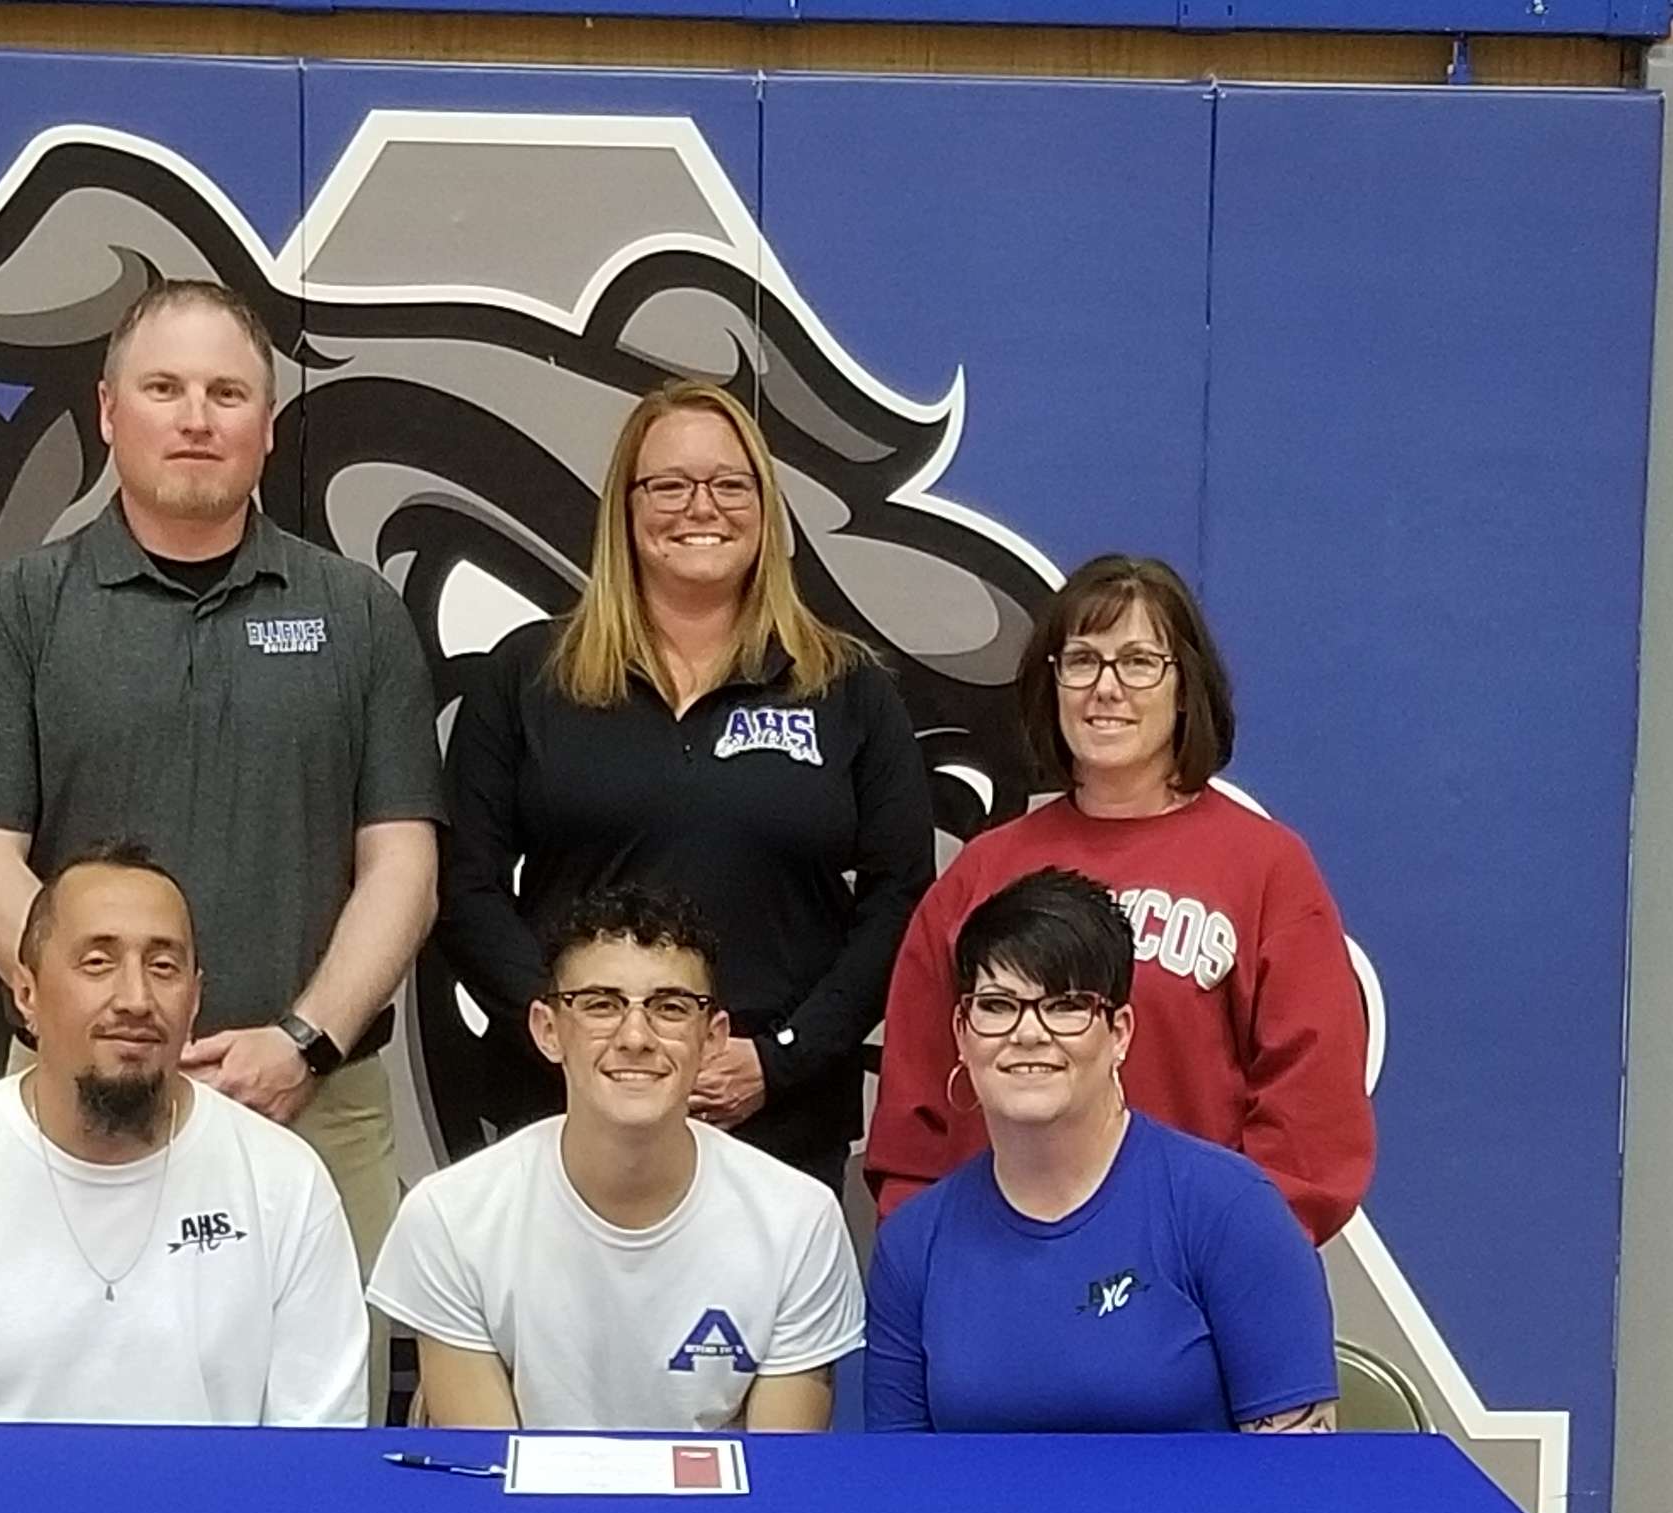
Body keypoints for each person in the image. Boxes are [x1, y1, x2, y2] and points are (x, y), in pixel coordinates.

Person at [0, 279, 442, 1271]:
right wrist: (123, 1032)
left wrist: (303, 1042)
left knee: (334, 1375)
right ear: (108, 411)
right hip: (78, 1105)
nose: (196, 419)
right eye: (163, 389)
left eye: (226, 393)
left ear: (268, 425)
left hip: (317, 1105)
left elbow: (404, 871)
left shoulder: (360, 614)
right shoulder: (16, 612)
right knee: (62, 1367)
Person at [432, 377, 934, 1185]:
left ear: (765, 509)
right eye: (669, 485)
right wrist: (575, 1033)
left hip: (778, 1122)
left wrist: (781, 1055)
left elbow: (902, 898)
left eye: (730, 485)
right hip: (564, 1114)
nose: (702, 507)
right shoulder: (528, 676)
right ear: (625, 509)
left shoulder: (846, 688)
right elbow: (464, 888)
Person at [863, 553, 1374, 1247]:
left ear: (1185, 687)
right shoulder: (985, 872)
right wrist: (932, 1251)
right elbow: (915, 1105)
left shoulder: (1266, 869)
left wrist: (1232, 1254)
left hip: (1192, 1272)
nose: (1106, 688)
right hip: (1005, 1265)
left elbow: (1311, 1114)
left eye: (1138, 662)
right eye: (1081, 661)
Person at [0, 844, 374, 1427]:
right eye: (97, 963)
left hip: (222, 1495)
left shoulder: (286, 1183)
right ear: (26, 993)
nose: (135, 999)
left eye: (163, 967)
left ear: (195, 1000)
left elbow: (317, 1453)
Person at [369, 885, 863, 1433]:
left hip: (718, 1494)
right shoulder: (450, 1217)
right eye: (601, 1005)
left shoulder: (799, 1221)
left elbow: (775, 1472)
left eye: (670, 1008)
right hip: (526, 1492)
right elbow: (491, 1468)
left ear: (713, 1037)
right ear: (548, 1031)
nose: (635, 1037)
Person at [863, 869, 1337, 1436]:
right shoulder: (913, 1244)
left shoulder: (1232, 1210)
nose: (1028, 1033)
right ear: (962, 1033)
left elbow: (1298, 1474)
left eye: (1066, 1005)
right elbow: (900, 1473)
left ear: (1120, 1033)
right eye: (997, 1005)